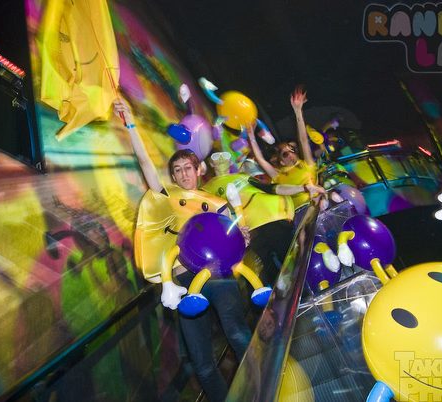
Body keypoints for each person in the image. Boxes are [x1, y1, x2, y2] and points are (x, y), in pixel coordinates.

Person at [115, 98, 251, 402]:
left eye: (187, 168)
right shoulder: (168, 196)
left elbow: (237, 237)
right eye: (177, 170)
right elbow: (145, 163)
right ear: (173, 176)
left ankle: (266, 386)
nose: (183, 174)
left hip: (217, 275)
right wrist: (130, 123)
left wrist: (243, 236)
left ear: (198, 170)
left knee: (237, 333)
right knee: (202, 363)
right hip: (183, 279)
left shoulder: (218, 204)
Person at [204, 151, 326, 285]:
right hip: (247, 233)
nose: (221, 160)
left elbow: (272, 188)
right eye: (216, 157)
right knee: (266, 272)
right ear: (211, 164)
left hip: (272, 219)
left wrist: (305, 188)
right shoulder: (207, 189)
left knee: (294, 259)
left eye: (225, 156)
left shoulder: (242, 177)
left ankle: (312, 286)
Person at [246, 87, 319, 227]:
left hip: (319, 205)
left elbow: (303, 140)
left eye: (292, 149)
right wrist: (251, 136)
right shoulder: (278, 176)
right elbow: (260, 159)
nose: (291, 153)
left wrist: (298, 110)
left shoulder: (307, 163)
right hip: (301, 216)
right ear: (281, 161)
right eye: (285, 153)